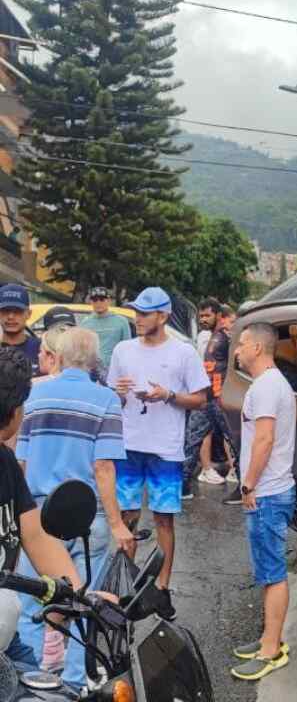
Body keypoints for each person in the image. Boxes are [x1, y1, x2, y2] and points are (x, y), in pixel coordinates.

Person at [14, 328, 133, 686]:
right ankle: (76, 682)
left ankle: (31, 680)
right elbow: (104, 467)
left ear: (58, 356)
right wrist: (117, 523)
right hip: (87, 517)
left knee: (31, 601)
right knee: (83, 601)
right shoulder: (107, 399)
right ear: (95, 361)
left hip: (36, 514)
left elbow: (20, 458)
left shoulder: (33, 393)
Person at [106, 287, 209, 621]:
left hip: (166, 448)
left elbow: (200, 400)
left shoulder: (184, 353)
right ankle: (129, 586)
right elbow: (114, 400)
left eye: (144, 313)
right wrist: (119, 395)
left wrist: (167, 395)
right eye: (136, 312)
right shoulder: (123, 350)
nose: (137, 318)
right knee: (128, 518)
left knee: (164, 518)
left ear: (162, 317)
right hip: (128, 445)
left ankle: (162, 589)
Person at [0, 347, 83, 669]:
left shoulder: (5, 462)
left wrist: (79, 593)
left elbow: (35, 534)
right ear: (18, 410)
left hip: (7, 631)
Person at [229, 323, 296, 681]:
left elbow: (265, 440)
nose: (237, 351)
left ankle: (272, 651)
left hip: (267, 492)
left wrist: (248, 483)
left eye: (241, 344)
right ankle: (269, 638)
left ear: (256, 347)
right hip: (271, 490)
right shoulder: (271, 384)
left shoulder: (268, 387)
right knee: (269, 572)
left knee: (273, 573)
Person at [185, 298, 239, 492]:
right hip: (207, 398)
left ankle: (244, 488)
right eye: (201, 316)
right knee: (192, 440)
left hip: (220, 399)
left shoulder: (225, 337)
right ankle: (183, 484)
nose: (203, 319)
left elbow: (236, 365)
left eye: (207, 315)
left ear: (218, 315)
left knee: (233, 442)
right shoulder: (209, 336)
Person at [79, 287, 131, 375]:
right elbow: (81, 349)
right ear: (91, 302)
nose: (98, 303)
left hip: (113, 371)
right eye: (95, 300)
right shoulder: (85, 323)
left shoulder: (121, 322)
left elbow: (127, 350)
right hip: (90, 371)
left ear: (109, 301)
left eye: (102, 299)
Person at [0, 284, 40, 376]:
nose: (11, 317)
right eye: (5, 310)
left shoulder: (41, 350)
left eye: (17, 311)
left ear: (29, 314)